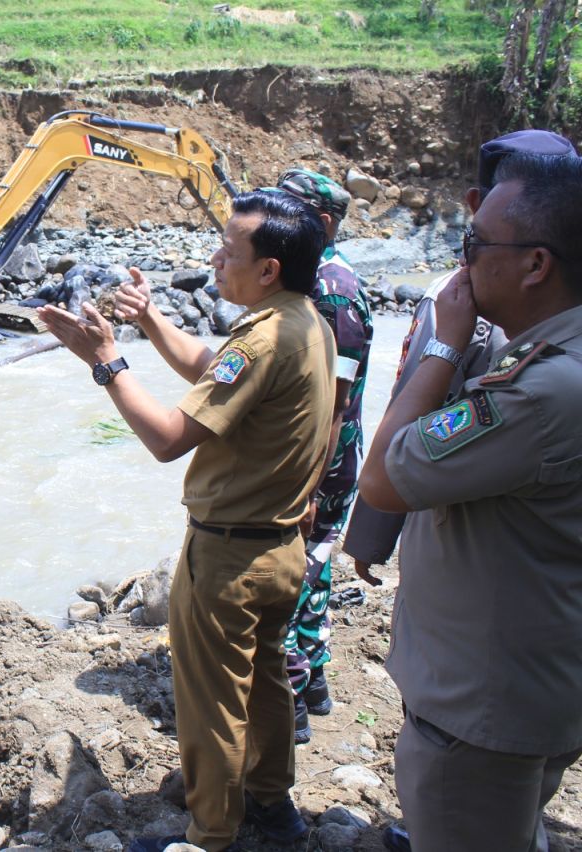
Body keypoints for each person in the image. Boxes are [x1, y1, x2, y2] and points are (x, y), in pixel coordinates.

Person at [38, 191, 334, 852]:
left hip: (229, 561)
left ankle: (210, 836)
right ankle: (270, 803)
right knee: (264, 687)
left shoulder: (261, 340)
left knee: (211, 706)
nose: (214, 259)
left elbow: (170, 437)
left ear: (267, 270)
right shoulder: (302, 323)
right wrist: (152, 320)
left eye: (229, 252)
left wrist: (104, 363)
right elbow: (212, 375)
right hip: (282, 548)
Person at [359, 152, 582, 852]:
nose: (464, 263)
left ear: (536, 264)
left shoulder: (540, 392)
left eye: (475, 244)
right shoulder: (549, 362)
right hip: (534, 680)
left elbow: (383, 480)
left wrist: (443, 348)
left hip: (480, 708)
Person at [341, 130, 576, 583]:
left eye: (476, 242)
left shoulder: (459, 305)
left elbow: (410, 406)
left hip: (472, 555)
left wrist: (370, 538)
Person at [272, 169, 373, 744]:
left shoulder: (330, 291)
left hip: (321, 462)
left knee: (293, 573)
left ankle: (292, 699)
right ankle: (313, 685)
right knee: (313, 567)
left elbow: (334, 401)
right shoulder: (312, 278)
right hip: (318, 459)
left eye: (292, 210)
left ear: (325, 223)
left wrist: (307, 486)